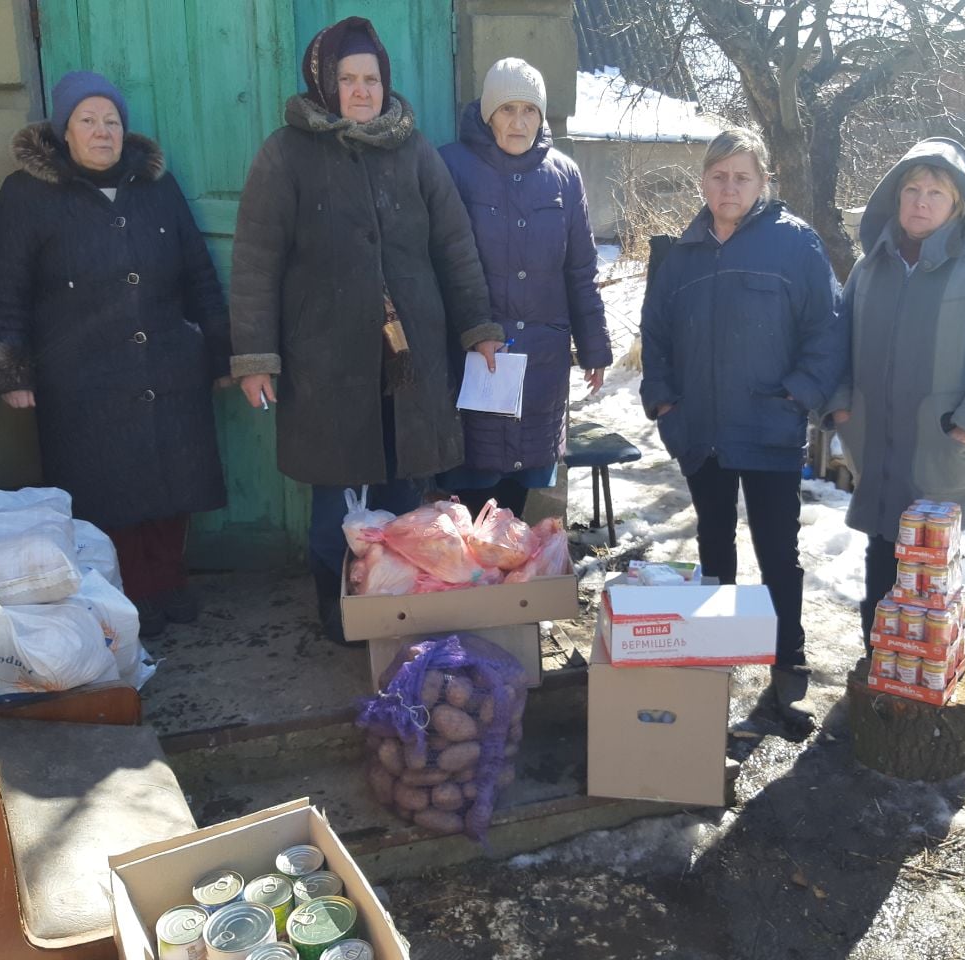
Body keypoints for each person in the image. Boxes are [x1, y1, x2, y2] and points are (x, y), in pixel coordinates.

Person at [228, 17, 501, 641]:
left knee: (406, 494)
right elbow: (256, 260)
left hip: (410, 360)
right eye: (347, 79)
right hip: (325, 361)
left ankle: (403, 599)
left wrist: (479, 326)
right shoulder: (287, 153)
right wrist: (255, 358)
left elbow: (455, 245)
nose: (360, 90)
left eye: (370, 79)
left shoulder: (412, 149)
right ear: (326, 83)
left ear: (385, 83)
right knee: (335, 508)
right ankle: (339, 603)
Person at [0, 70, 230, 638]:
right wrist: (10, 366)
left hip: (167, 360)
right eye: (87, 121)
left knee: (172, 478)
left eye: (111, 121)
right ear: (64, 132)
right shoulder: (27, 194)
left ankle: (167, 581)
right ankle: (125, 591)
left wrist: (217, 350)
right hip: (80, 371)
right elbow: (3, 285)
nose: (102, 132)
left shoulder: (156, 186)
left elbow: (197, 272)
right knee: (105, 486)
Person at [639, 128, 846, 730]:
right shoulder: (682, 256)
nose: (729, 187)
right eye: (719, 175)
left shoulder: (795, 246)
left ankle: (789, 667)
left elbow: (828, 330)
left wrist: (799, 395)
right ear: (703, 180)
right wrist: (665, 405)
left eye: (742, 176)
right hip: (702, 430)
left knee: (779, 553)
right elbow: (656, 338)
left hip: (769, 428)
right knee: (714, 549)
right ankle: (715, 667)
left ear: (762, 183)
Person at [827, 138, 965, 644]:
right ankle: (878, 667)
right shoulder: (870, 265)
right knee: (881, 559)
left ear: (958, 204)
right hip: (876, 444)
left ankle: (925, 680)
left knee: (930, 570)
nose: (921, 202)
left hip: (943, 445)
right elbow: (838, 342)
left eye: (935, 193)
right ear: (896, 198)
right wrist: (838, 406)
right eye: (912, 189)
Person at [437, 57, 612, 518]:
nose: (519, 121)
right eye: (508, 109)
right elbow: (438, 262)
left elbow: (580, 270)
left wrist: (594, 348)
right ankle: (478, 588)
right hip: (475, 356)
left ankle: (505, 584)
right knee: (470, 483)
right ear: (488, 114)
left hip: (541, 359)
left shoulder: (564, 176)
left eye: (530, 110)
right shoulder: (450, 166)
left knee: (517, 489)